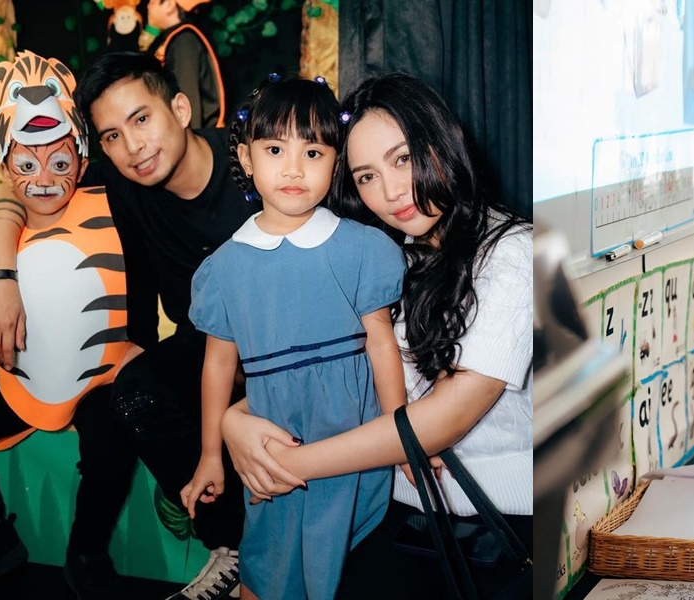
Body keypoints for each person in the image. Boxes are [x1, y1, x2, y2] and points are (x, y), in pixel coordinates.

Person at [219, 72, 533, 598]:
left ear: (441, 141)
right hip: (399, 512)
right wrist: (236, 419)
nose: (390, 192)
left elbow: (445, 417)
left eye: (403, 158)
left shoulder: (513, 253)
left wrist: (285, 464)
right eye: (365, 176)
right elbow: (326, 369)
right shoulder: (384, 260)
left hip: (501, 522)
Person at [0, 51, 257, 600]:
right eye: (110, 136)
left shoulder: (251, 163)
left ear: (179, 106)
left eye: (141, 119)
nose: (133, 147)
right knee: (133, 393)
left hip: (292, 347)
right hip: (206, 347)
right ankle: (233, 546)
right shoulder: (125, 183)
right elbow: (12, 184)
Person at [180, 75, 407, 599]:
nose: (293, 168)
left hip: (356, 439)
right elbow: (217, 365)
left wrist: (401, 438)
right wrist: (211, 453)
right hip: (272, 444)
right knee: (268, 567)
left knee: (352, 561)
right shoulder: (224, 268)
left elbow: (380, 344)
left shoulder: (362, 249)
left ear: (336, 161)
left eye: (313, 152)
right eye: (275, 149)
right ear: (247, 156)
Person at [0, 50, 149, 599]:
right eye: (27, 166)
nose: (46, 180)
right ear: (6, 168)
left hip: (101, 377)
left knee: (108, 444)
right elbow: (2, 201)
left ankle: (86, 548)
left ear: (81, 158)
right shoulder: (5, 205)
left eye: (61, 162)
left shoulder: (113, 197)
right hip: (24, 382)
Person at [144, 0, 225, 128]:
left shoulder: (184, 42)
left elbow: (188, 98)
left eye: (152, 1)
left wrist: (189, 144)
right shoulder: (172, 39)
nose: (148, 6)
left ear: (169, 5)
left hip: (201, 137)